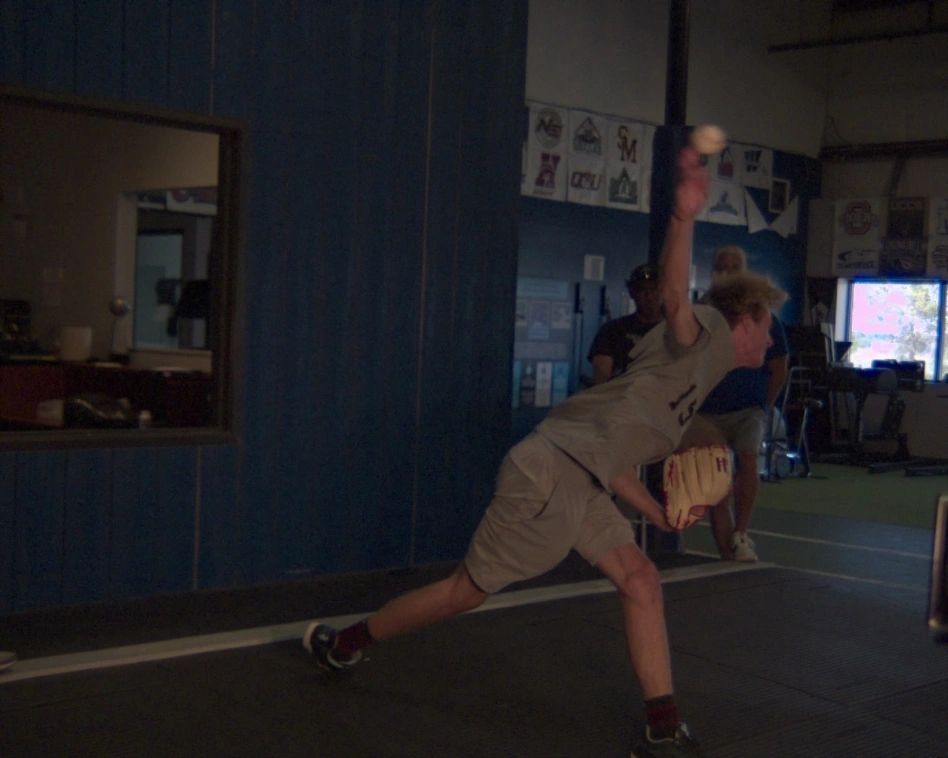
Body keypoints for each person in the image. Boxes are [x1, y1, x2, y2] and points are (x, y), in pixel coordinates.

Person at [302, 148, 786, 757]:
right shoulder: (709, 336)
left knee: (640, 578)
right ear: (747, 319)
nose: (772, 342)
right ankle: (346, 643)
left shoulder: (688, 384)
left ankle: (663, 727)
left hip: (580, 481)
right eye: (768, 329)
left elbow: (610, 456)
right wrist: (683, 218)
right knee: (463, 594)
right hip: (547, 476)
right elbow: (675, 300)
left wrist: (656, 515)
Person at [677, 246, 789, 562]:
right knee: (718, 480)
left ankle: (741, 532)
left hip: (748, 409)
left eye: (733, 266)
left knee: (748, 461)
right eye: (721, 267)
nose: (726, 272)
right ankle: (728, 549)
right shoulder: (702, 313)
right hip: (708, 411)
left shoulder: (764, 315)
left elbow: (779, 366)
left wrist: (764, 404)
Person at [588, 262, 664, 385]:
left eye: (654, 289)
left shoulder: (675, 332)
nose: (649, 296)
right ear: (632, 293)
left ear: (663, 292)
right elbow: (602, 377)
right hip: (624, 397)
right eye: (642, 290)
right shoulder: (613, 330)